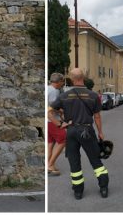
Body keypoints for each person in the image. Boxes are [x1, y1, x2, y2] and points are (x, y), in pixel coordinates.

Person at [48, 68, 109, 200]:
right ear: (83, 78)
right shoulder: (93, 95)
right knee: (96, 161)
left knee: (74, 162)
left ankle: (78, 192)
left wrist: (59, 124)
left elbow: (50, 112)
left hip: (71, 131)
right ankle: (103, 188)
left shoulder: (64, 96)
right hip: (87, 131)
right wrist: (100, 133)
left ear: (71, 78)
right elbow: (97, 117)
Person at [47, 73, 66, 176]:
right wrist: (61, 112)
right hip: (52, 120)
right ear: (58, 82)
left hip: (47, 121)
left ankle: (50, 165)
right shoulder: (54, 91)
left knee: (50, 144)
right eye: (62, 82)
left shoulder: (47, 88)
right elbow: (53, 107)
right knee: (63, 139)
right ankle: (50, 165)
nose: (63, 84)